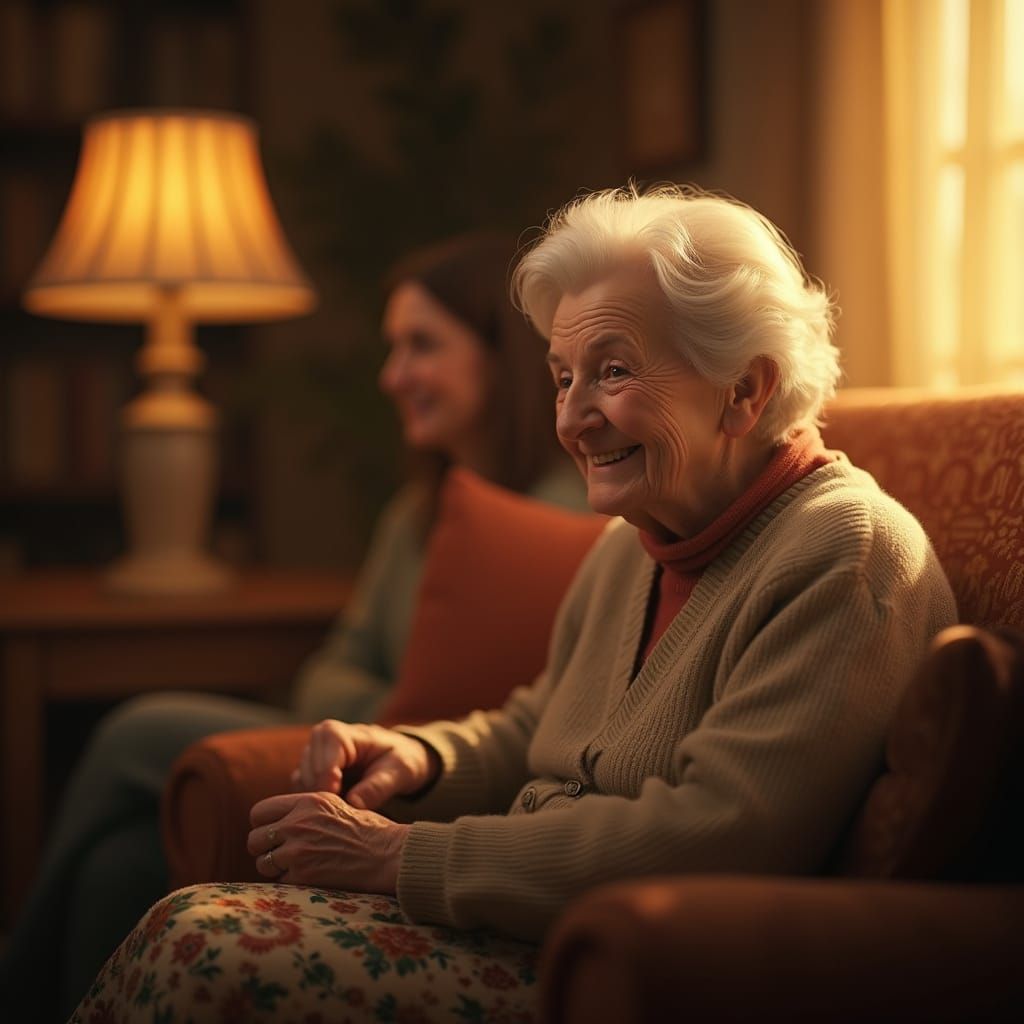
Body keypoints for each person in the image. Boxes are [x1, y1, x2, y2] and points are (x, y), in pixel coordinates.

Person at [70, 185, 957, 1022]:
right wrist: (420, 757)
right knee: (172, 907)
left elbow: (718, 835)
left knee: (202, 948)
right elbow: (537, 725)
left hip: (632, 965)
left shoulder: (845, 554)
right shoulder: (634, 541)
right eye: (564, 378)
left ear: (745, 390)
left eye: (613, 371)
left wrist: (397, 854)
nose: (572, 419)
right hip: (532, 926)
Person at [0, 233, 585, 1021]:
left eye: (421, 346)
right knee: (122, 862)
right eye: (392, 348)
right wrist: (379, 716)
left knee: (138, 729)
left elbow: (528, 711)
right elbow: (330, 668)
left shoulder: (573, 520)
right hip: (356, 747)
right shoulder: (414, 514)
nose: (393, 376)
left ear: (499, 357)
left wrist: (398, 729)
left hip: (429, 782)